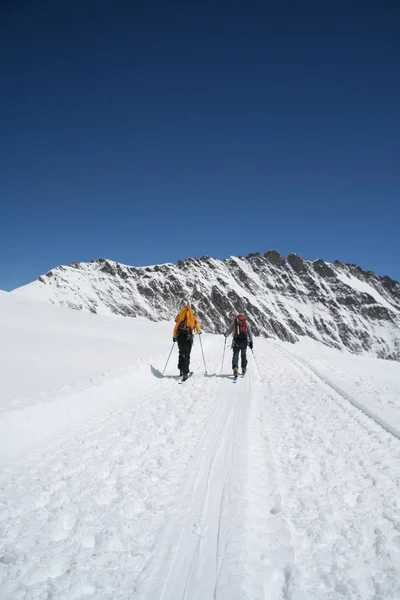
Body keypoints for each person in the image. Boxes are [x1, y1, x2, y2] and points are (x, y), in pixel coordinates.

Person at [173, 304, 202, 380]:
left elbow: (176, 326)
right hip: (188, 337)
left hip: (179, 337)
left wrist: (174, 336)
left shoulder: (180, 315)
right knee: (187, 354)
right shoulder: (192, 316)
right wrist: (199, 331)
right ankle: (185, 372)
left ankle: (180, 369)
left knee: (181, 353)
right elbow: (196, 324)